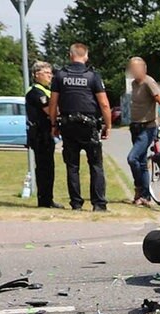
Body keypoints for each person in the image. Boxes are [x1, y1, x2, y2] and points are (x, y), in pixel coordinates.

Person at [49, 43, 111, 212]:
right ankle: (99, 204)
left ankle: (76, 203)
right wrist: (108, 125)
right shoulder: (93, 76)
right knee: (96, 165)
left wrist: (54, 124)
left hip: (68, 125)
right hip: (89, 126)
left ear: (70, 56)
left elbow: (53, 103)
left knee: (72, 166)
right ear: (86, 57)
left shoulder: (60, 76)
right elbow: (104, 104)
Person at [126, 57, 160, 206]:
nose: (134, 72)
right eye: (132, 69)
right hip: (135, 127)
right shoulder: (134, 84)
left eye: (137, 68)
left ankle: (139, 188)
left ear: (144, 69)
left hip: (147, 128)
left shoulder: (149, 82)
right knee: (141, 163)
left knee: (132, 158)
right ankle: (145, 197)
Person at [25, 61, 62, 209]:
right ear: (36, 75)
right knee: (44, 168)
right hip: (40, 134)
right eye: (46, 73)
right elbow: (50, 111)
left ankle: (47, 198)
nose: (50, 76)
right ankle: (45, 200)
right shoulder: (36, 92)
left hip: (45, 133)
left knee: (48, 167)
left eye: (50, 73)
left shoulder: (45, 90)